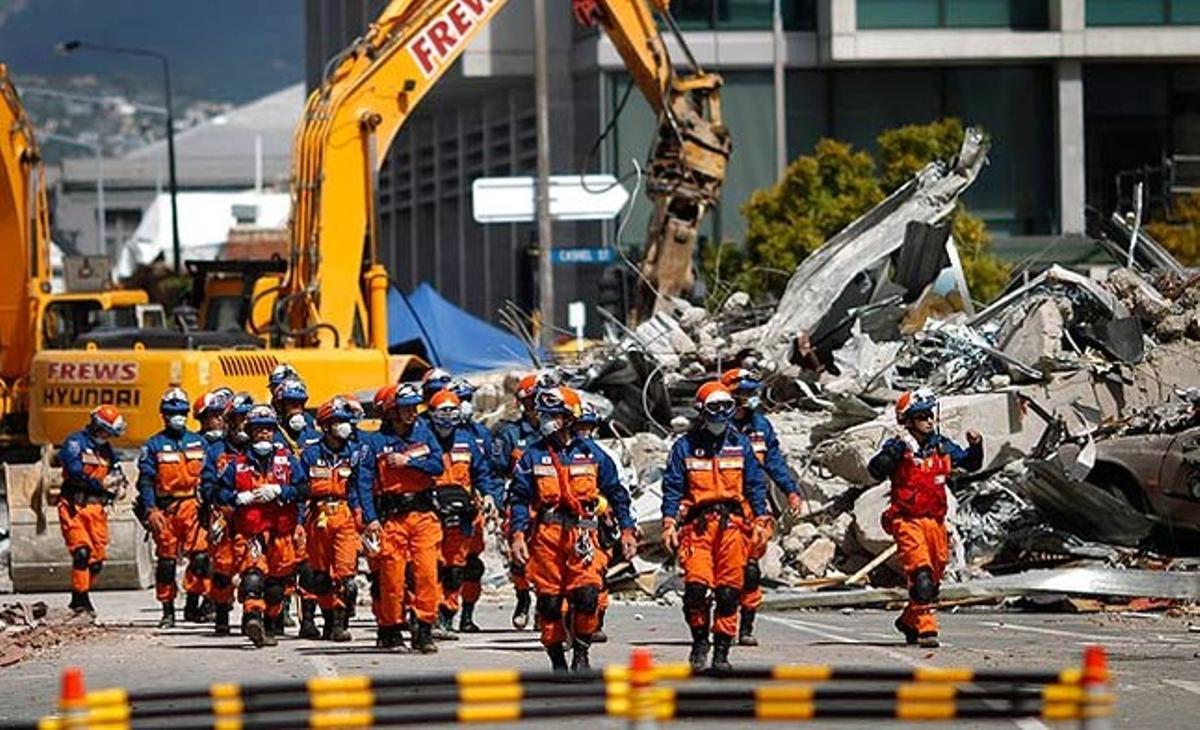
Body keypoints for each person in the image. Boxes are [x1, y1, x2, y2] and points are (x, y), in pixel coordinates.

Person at [508, 386, 637, 672]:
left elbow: (617, 494)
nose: (545, 420)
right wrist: (517, 534)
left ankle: (581, 652)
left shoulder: (593, 455)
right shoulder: (532, 456)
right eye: (543, 414)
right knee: (550, 605)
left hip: (584, 536)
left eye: (551, 415)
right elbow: (518, 497)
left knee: (587, 597)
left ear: (568, 418)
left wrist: (627, 531)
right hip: (546, 538)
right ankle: (557, 661)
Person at [661, 382, 770, 672]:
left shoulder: (740, 445)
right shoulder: (684, 446)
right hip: (697, 527)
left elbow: (755, 485)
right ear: (701, 410)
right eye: (714, 408)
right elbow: (672, 487)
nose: (721, 415)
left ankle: (722, 652)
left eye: (726, 408)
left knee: (728, 593)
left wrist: (760, 519)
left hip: (733, 527)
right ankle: (699, 641)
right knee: (696, 589)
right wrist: (669, 522)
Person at [867, 388, 982, 649]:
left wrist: (977, 446)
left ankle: (909, 620)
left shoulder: (941, 445)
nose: (929, 421)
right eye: (922, 416)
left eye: (930, 415)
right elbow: (875, 470)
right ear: (908, 420)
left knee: (933, 582)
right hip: (907, 520)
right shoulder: (899, 447)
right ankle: (927, 629)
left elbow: (972, 464)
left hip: (936, 522)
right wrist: (893, 454)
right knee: (921, 577)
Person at [355, 383, 445, 653]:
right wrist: (370, 518)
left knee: (427, 574)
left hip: (423, 515)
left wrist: (410, 462)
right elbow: (363, 481)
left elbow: (438, 466)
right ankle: (391, 628)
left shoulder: (424, 434)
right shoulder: (375, 442)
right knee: (392, 577)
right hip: (391, 518)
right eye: (404, 408)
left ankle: (424, 627)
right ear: (391, 411)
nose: (411, 413)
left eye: (414, 407)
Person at [720, 368, 804, 647]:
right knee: (723, 572)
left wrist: (790, 491)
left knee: (751, 569)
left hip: (753, 506)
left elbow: (775, 463)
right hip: (720, 506)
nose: (747, 399)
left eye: (750, 394)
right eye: (741, 394)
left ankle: (746, 625)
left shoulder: (761, 427)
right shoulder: (716, 427)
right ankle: (723, 624)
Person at [215, 405, 305, 648]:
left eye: (267, 430)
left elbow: (304, 489)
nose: (263, 434)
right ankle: (252, 617)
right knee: (252, 576)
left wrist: (280, 490)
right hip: (251, 532)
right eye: (258, 430)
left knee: (277, 586)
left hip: (281, 533)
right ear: (250, 432)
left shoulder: (288, 461)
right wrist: (236, 497)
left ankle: (270, 621)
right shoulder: (238, 463)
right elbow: (218, 492)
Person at [427, 390, 501, 636]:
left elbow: (482, 472)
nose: (448, 416)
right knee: (431, 566)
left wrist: (488, 495)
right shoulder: (423, 439)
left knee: (457, 568)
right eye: (442, 411)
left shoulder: (467, 441)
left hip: (462, 514)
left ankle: (448, 614)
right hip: (431, 513)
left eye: (452, 411)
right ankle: (430, 613)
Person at [137, 388, 211, 628]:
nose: (177, 417)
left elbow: (209, 476)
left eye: (181, 412)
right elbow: (146, 480)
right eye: (172, 413)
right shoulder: (154, 445)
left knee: (201, 558)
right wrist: (150, 510)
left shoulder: (199, 442)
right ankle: (167, 610)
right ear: (164, 415)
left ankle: (192, 601)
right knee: (167, 563)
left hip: (193, 505)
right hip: (165, 509)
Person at [298, 397, 364, 642]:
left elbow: (361, 487)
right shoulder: (310, 454)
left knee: (345, 574)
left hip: (345, 515)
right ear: (325, 426)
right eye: (337, 422)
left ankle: (340, 622)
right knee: (321, 575)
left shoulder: (355, 454)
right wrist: (297, 524)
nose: (343, 426)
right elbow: (298, 489)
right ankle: (327, 620)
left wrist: (363, 518)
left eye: (345, 421)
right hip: (318, 516)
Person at [59, 405, 127, 616]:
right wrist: (102, 484)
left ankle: (81, 593)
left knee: (95, 563)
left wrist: (120, 485)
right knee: (81, 553)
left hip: (97, 510)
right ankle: (80, 601)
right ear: (98, 427)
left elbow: (116, 470)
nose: (109, 437)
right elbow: (74, 473)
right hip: (74, 507)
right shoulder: (75, 443)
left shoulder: (106, 449)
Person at [270, 376, 322, 637]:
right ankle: (278, 615)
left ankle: (309, 620)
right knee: (281, 567)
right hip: (282, 508)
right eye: (290, 404)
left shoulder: (314, 436)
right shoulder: (269, 435)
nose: (296, 410)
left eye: (300, 404)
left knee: (308, 567)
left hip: (311, 507)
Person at [491, 373, 543, 630]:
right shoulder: (510, 435)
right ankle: (523, 598)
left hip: (550, 504)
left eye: (539, 400)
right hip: (520, 503)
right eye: (531, 401)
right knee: (518, 559)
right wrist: (499, 501)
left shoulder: (561, 434)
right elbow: (496, 472)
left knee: (549, 560)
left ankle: (546, 609)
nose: (535, 406)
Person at [202, 391, 254, 636]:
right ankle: (221, 614)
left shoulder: (259, 452)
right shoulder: (215, 451)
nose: (242, 424)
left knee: (253, 568)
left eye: (246, 419)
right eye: (238, 419)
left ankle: (251, 617)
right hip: (225, 515)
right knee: (223, 569)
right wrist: (228, 499)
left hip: (254, 517)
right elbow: (208, 485)